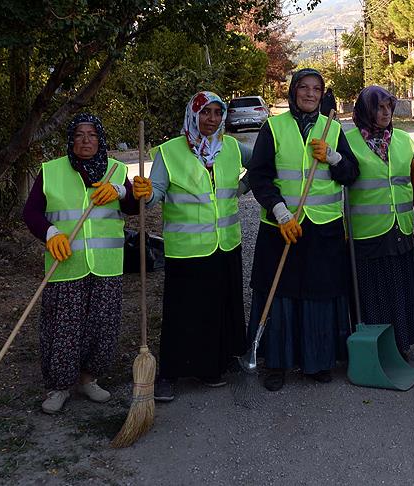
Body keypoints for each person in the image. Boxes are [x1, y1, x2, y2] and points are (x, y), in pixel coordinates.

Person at [243, 68, 359, 391]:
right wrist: (279, 211)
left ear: (322, 94)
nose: (310, 93)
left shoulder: (332, 128)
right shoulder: (273, 127)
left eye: (316, 89)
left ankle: (317, 360)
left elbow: (351, 174)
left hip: (323, 229)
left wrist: (334, 158)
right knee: (279, 293)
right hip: (282, 227)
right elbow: (259, 176)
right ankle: (276, 364)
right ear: (293, 91)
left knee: (319, 295)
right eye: (304, 87)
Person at [134, 91, 249, 402]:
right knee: (182, 313)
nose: (212, 119)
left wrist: (242, 187)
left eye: (217, 112)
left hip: (225, 244)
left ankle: (211, 368)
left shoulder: (230, 147)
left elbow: (262, 163)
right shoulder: (170, 151)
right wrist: (144, 193)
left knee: (218, 308)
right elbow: (155, 194)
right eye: (205, 112)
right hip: (186, 249)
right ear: (193, 115)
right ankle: (170, 374)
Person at [23, 113, 140, 414]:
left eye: (92, 135)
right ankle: (59, 387)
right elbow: (31, 212)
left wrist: (124, 190)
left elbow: (132, 207)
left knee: (102, 325)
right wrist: (50, 234)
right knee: (63, 327)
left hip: (106, 265)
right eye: (79, 134)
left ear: (100, 139)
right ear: (70, 139)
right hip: (66, 264)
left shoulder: (115, 170)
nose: (86, 141)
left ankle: (90, 378)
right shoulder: (51, 171)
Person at [346, 85, 414, 357]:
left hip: (400, 229)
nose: (385, 113)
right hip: (366, 234)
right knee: (372, 293)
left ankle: (400, 343)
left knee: (399, 289)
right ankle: (376, 348)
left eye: (389, 107)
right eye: (379, 108)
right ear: (365, 111)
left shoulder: (402, 140)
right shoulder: (347, 142)